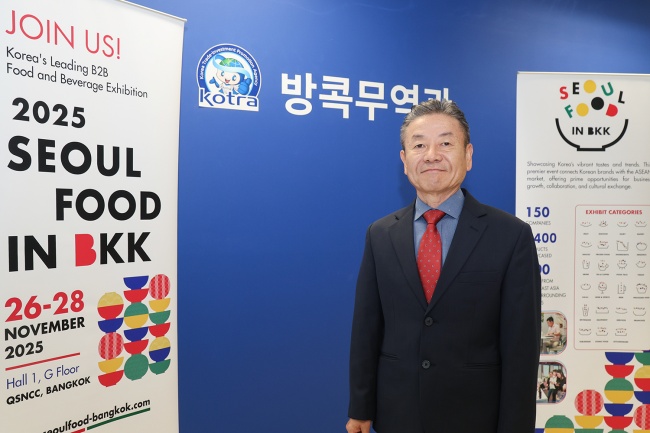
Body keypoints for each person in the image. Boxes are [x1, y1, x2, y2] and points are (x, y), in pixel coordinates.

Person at [346, 99, 541, 433]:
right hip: (397, 416)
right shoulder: (380, 234)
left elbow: (521, 349)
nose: (432, 155)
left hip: (476, 419)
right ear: (404, 161)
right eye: (419, 145)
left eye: (446, 143)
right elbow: (366, 331)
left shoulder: (511, 236)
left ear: (468, 155)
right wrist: (360, 409)